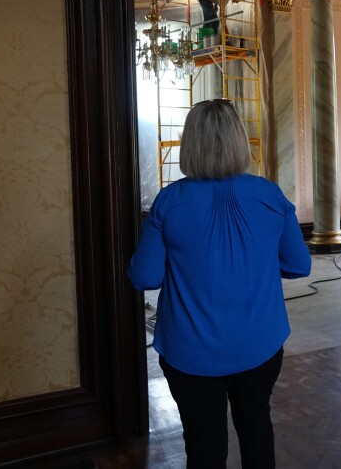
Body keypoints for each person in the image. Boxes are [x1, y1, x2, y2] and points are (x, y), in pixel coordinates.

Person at [127, 98, 311, 468]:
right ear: (239, 141)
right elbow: (298, 265)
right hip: (259, 344)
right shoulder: (270, 195)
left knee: (204, 443)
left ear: (189, 143)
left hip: (189, 352)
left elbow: (144, 277)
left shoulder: (169, 201)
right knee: (256, 425)